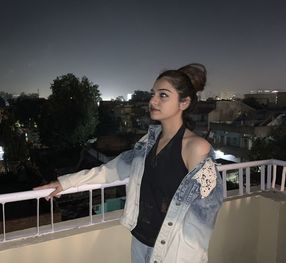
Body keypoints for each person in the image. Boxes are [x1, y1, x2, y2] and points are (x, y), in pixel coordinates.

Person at [35, 63, 223, 263]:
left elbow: (206, 210)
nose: (153, 100)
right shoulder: (148, 142)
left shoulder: (196, 148)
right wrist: (65, 183)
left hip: (173, 251)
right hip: (140, 241)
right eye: (153, 94)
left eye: (163, 95)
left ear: (183, 103)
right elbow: (114, 168)